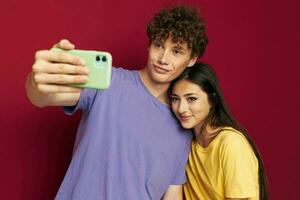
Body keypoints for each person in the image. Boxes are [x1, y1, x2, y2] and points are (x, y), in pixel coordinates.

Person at [26, 5, 208, 200]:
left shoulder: (182, 127)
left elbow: (172, 194)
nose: (163, 58)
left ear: (191, 60)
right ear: (149, 45)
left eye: (177, 51)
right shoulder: (108, 81)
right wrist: (37, 82)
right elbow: (43, 98)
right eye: (158, 45)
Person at [169, 62, 268, 200]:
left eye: (191, 99)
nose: (181, 108)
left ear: (212, 101)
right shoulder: (186, 143)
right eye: (175, 99)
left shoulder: (231, 143)